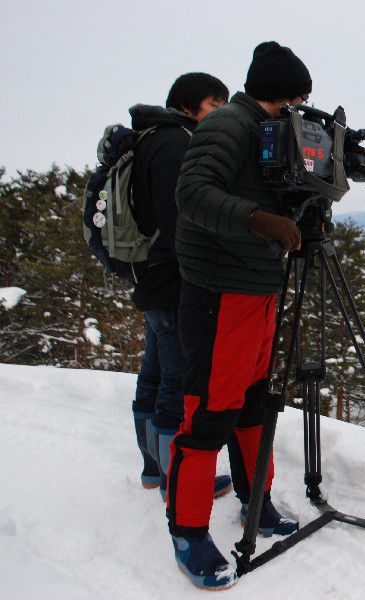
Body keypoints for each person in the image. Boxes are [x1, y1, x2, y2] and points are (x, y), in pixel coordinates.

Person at [166, 42, 310, 590]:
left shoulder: (268, 130)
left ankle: (257, 503)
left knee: (252, 404)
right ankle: (188, 531)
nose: (297, 108)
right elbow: (192, 194)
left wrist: (298, 221)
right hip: (219, 293)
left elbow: (268, 196)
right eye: (293, 98)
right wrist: (257, 221)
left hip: (257, 290)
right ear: (272, 92)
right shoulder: (228, 125)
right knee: (207, 414)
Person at [130, 73, 233, 503]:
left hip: (151, 274)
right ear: (189, 106)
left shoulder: (153, 138)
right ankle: (178, 478)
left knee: (153, 374)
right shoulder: (176, 144)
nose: (222, 113)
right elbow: (180, 223)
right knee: (174, 380)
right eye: (215, 105)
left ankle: (154, 467)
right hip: (172, 278)